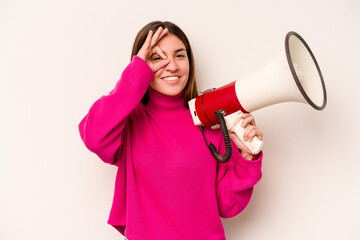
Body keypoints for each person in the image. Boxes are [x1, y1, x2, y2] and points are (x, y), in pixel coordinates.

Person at [79, 21, 263, 240]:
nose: (172, 66)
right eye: (157, 58)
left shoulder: (209, 118)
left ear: (189, 62)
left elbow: (228, 205)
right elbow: (93, 136)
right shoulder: (129, 120)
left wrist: (247, 157)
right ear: (141, 66)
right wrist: (137, 72)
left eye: (179, 56)